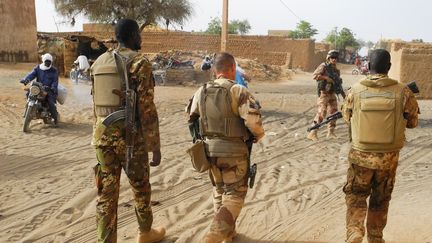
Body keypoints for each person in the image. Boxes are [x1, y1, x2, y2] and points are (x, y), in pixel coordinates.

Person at [90, 19, 165, 243]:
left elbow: (96, 105)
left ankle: (106, 240)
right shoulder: (139, 63)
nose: (141, 39)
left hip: (102, 137)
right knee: (140, 186)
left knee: (106, 194)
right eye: (139, 35)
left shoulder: (99, 62)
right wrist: (155, 146)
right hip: (130, 138)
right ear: (132, 35)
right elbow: (147, 109)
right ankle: (145, 233)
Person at [341, 49, 419, 243]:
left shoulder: (355, 90)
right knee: (380, 200)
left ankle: (354, 233)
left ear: (367, 66)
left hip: (360, 158)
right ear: (389, 67)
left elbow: (346, 117)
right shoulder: (404, 92)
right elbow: (412, 122)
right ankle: (375, 237)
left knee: (357, 197)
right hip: (388, 160)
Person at [187, 52, 265, 243]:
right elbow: (253, 121)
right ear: (232, 69)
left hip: (209, 151)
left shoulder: (201, 91)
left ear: (215, 70)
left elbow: (190, 117)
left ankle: (227, 235)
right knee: (235, 194)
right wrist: (257, 136)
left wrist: (203, 138)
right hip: (234, 151)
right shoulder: (238, 90)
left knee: (219, 191)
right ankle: (214, 234)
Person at [307, 49, 341, 141]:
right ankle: (312, 132)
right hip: (324, 93)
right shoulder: (324, 66)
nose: (334, 60)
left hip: (332, 93)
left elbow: (338, 84)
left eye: (336, 58)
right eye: (332, 58)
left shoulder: (336, 70)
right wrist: (326, 78)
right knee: (322, 112)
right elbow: (314, 75)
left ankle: (331, 132)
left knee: (334, 113)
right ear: (328, 58)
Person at [20, 53, 59, 125]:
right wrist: (26, 80)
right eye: (46, 61)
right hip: (38, 88)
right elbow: (31, 75)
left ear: (51, 62)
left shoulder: (54, 70)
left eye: (49, 61)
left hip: (49, 90)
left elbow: (55, 81)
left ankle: (55, 118)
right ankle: (27, 111)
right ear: (43, 61)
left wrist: (53, 87)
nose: (47, 63)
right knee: (28, 94)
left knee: (51, 103)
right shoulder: (38, 68)